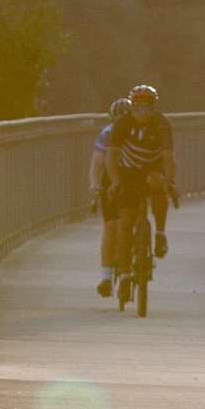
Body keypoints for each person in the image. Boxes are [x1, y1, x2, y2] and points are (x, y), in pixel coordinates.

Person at [116, 84, 175, 259]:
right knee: (127, 219)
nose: (142, 111)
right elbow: (111, 155)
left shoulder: (162, 124)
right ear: (132, 107)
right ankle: (125, 275)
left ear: (153, 107)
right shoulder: (123, 123)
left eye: (146, 106)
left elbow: (168, 157)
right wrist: (114, 181)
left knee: (157, 184)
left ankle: (160, 234)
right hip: (128, 171)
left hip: (153, 167)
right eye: (137, 107)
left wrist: (169, 181)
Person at [91, 98, 134, 294]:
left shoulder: (140, 134)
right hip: (111, 181)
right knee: (110, 226)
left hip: (134, 180)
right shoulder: (106, 134)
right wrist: (95, 184)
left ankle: (128, 272)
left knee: (130, 222)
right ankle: (106, 278)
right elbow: (97, 164)